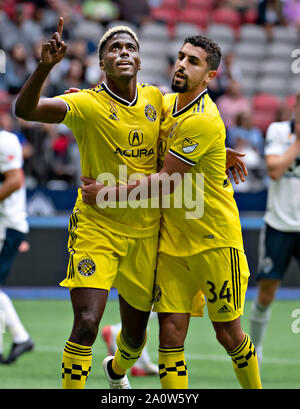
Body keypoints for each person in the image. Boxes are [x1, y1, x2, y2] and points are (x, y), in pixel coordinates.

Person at [15, 19, 247, 390]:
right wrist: (45, 67)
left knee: (136, 340)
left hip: (145, 233)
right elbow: (25, 111)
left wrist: (219, 152)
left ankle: (116, 373)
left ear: (140, 62)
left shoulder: (157, 100)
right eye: (113, 48)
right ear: (101, 64)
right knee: (87, 322)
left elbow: (193, 126)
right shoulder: (86, 104)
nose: (123, 52)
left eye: (130, 48)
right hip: (97, 227)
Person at [81, 35, 262, 389]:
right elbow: (127, 110)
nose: (181, 64)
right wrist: (84, 97)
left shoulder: (204, 120)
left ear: (210, 77)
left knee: (228, 334)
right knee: (170, 338)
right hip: (172, 243)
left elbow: (165, 182)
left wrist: (106, 193)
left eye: (193, 61)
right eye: (180, 56)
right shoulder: (164, 105)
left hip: (213, 240)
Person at [249, 93, 300, 364]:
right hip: (278, 224)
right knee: (267, 291)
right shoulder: (279, 131)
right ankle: (254, 349)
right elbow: (274, 170)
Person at [0, 128, 34, 364]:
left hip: (7, 224)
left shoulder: (5, 141)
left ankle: (21, 337)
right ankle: (17, 339)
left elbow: (14, 180)